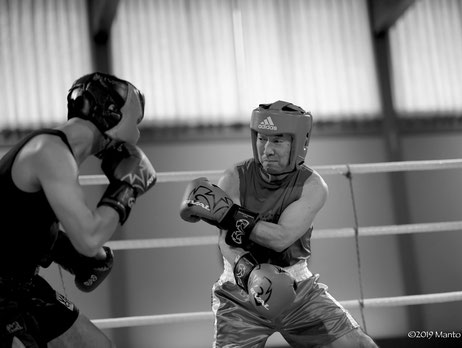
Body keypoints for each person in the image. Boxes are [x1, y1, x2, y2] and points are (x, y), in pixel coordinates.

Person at [180, 101, 378, 347]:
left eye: (277, 141)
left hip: (298, 289)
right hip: (239, 293)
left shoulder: (313, 186)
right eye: (262, 139)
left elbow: (281, 237)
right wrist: (249, 273)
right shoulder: (235, 176)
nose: (267, 149)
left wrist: (229, 214)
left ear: (299, 143)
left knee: (361, 345)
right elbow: (226, 240)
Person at [0, 72, 157, 348]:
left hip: (22, 285)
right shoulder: (50, 152)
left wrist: (72, 253)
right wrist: (128, 186)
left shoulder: (60, 154)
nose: (137, 134)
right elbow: (88, 239)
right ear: (112, 116)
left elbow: (20, 221)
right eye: (136, 121)